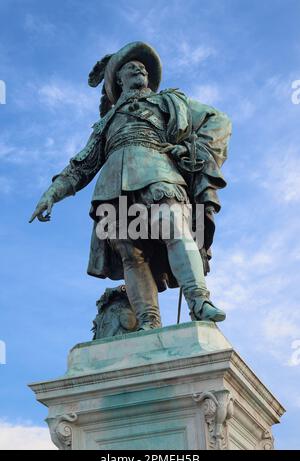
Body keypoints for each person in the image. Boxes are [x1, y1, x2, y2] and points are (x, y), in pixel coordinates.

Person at [30, 41, 231, 330]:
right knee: (131, 254)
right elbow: (81, 165)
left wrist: (193, 151)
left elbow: (218, 120)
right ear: (118, 80)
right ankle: (149, 322)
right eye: (129, 67)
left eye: (142, 67)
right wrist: (52, 193)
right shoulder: (105, 123)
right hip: (112, 187)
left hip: (159, 172)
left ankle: (199, 300)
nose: (139, 68)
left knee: (174, 227)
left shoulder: (170, 101)